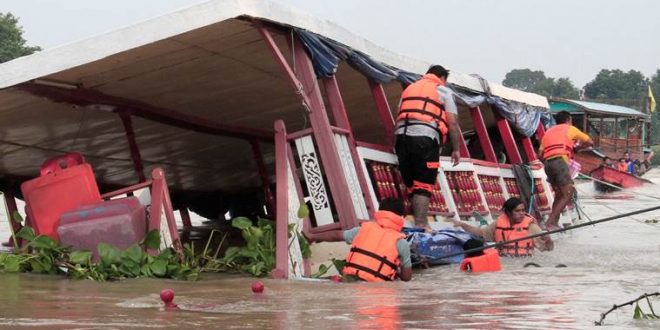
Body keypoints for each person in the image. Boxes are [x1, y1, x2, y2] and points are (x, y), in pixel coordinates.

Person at [394, 65, 461, 230]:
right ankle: (422, 224)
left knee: (410, 182)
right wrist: (456, 148)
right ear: (443, 78)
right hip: (425, 139)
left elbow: (399, 115)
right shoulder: (443, 91)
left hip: (401, 138)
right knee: (424, 184)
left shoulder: (409, 88)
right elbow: (452, 122)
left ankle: (416, 221)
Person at [305, 198, 412, 282]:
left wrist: (313, 236)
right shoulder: (401, 242)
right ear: (401, 217)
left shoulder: (363, 229)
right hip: (378, 290)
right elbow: (406, 278)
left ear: (380, 212)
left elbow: (336, 235)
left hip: (351, 280)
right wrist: (394, 271)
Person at [538, 111, 593, 231]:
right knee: (568, 193)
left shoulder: (548, 131)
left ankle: (554, 223)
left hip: (548, 163)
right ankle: (550, 222)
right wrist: (577, 148)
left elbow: (540, 154)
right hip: (560, 162)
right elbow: (590, 142)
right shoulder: (570, 128)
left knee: (559, 194)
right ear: (568, 120)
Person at [450, 197, 554, 256]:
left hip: (525, 260)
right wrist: (463, 225)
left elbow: (548, 249)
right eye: (517, 211)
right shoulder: (498, 223)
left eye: (523, 210)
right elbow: (481, 233)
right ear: (508, 212)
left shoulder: (531, 227)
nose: (522, 213)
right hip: (504, 259)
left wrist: (548, 240)